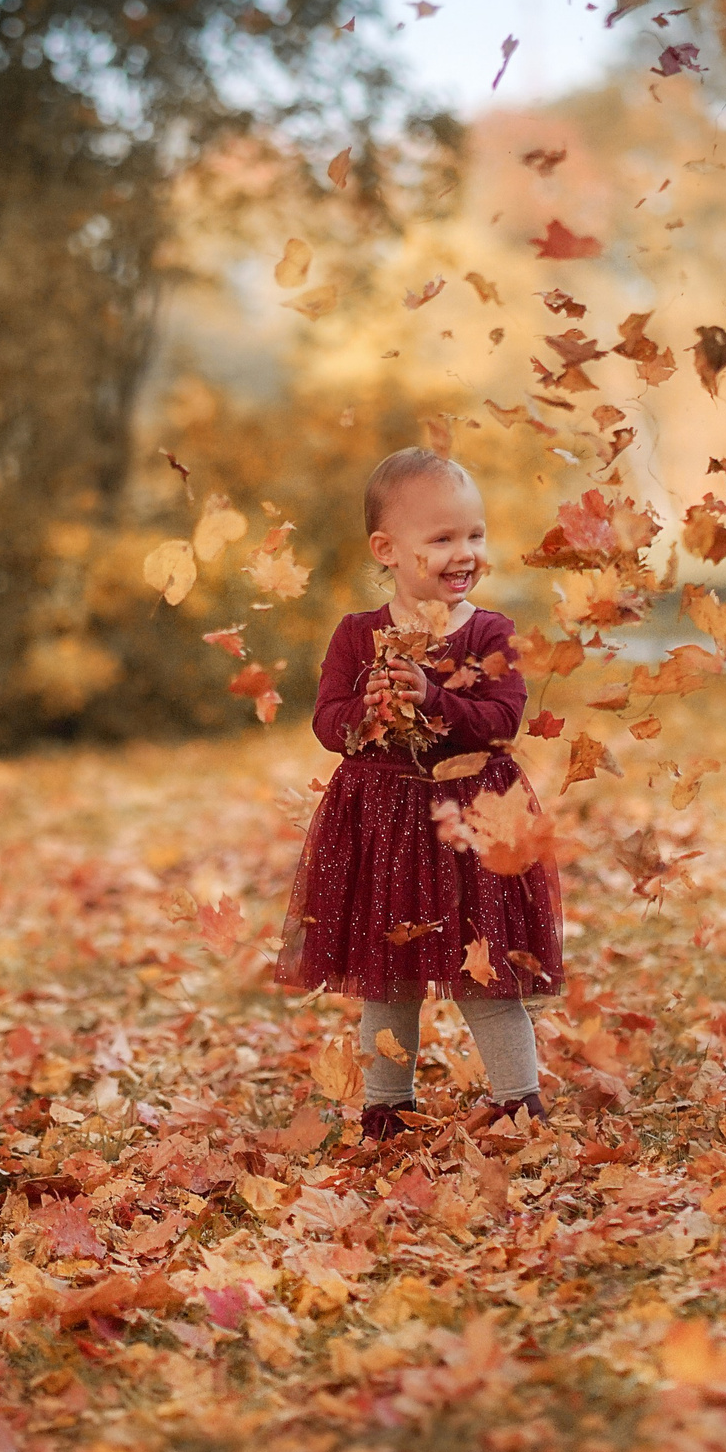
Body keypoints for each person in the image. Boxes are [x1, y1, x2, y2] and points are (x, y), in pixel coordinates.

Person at [275, 448, 564, 1140]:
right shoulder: (358, 635)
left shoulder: (489, 632)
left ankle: (519, 1102)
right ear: (389, 550)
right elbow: (327, 722)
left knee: (483, 971)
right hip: (382, 826)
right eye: (442, 539)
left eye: (475, 534)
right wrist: (365, 714)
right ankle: (386, 1107)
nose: (464, 552)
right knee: (387, 975)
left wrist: (434, 697)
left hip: (469, 824)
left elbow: (502, 720)